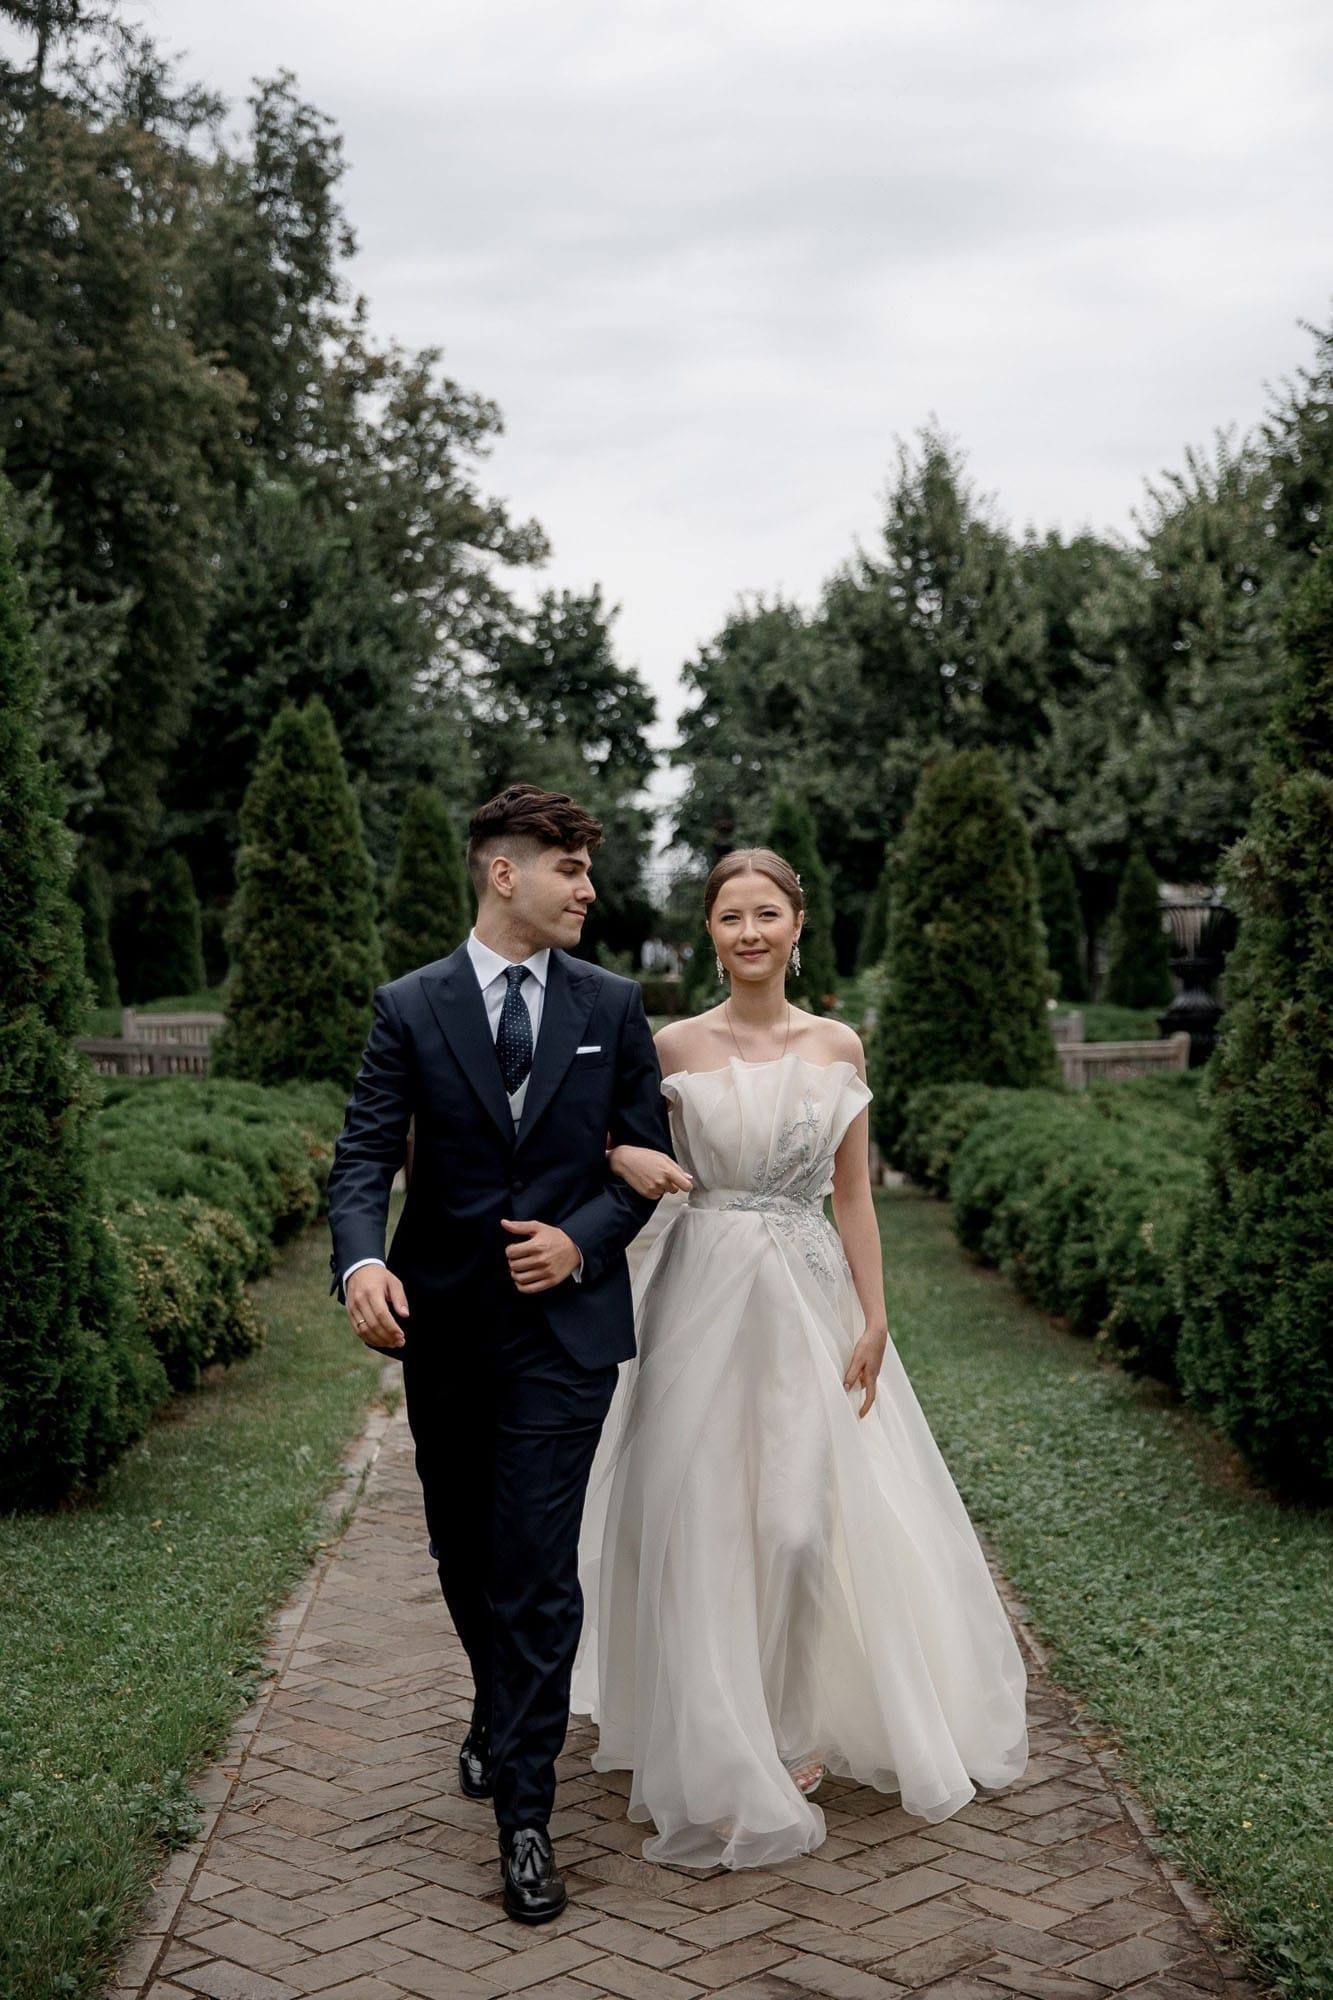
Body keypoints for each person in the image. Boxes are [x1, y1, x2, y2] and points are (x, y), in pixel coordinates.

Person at [570, 847, 1029, 1869]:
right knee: (697, 1520)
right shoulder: (669, 1042)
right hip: (697, 1298)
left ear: (796, 924)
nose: (747, 931)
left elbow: (854, 1193)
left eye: (765, 913)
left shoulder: (838, 1043)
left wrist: (875, 1315)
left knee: (793, 1527)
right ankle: (717, 1741)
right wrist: (615, 1152)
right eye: (729, 914)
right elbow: (603, 1143)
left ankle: (787, 1724)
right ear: (710, 931)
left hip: (806, 1300)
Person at [326, 784, 673, 1924]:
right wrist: (361, 1263)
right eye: (569, 868)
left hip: (565, 1337)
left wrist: (579, 1239)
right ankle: (495, 1704)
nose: (588, 888)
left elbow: (643, 1161)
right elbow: (365, 1151)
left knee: (533, 1564)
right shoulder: (410, 1006)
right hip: (448, 1329)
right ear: (503, 872)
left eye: (589, 868)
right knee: (464, 1547)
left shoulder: (612, 1004)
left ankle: (526, 1813)